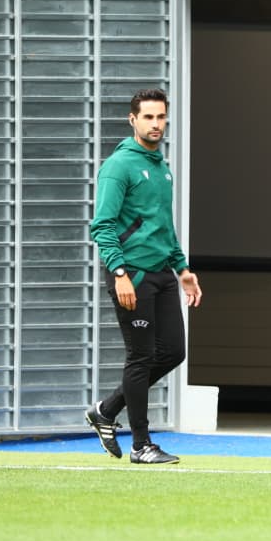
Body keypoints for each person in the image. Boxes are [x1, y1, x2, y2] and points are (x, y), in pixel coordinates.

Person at [85, 88, 202, 465]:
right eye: (148, 117)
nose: (156, 124)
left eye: (161, 117)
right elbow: (102, 225)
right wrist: (118, 271)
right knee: (141, 357)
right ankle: (140, 445)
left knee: (173, 352)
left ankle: (107, 409)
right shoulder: (119, 166)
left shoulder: (162, 168)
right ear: (132, 120)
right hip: (131, 274)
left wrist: (183, 269)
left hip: (163, 273)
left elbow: (163, 226)